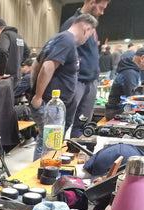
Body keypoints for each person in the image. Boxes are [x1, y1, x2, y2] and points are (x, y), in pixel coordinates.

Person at [31, 13, 98, 160]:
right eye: (89, 35)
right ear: (86, 28)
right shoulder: (66, 40)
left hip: (53, 103)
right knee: (49, 147)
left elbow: (36, 64)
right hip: (51, 104)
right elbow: (47, 67)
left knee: (47, 144)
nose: (86, 40)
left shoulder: (57, 38)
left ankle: (42, 174)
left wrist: (35, 92)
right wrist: (38, 95)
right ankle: (43, 176)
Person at [60, 0, 110, 138]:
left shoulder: (91, 27)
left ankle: (77, 154)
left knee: (82, 126)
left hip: (90, 82)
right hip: (76, 82)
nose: (102, 12)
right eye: (100, 7)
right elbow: (61, 54)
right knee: (60, 126)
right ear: (92, 2)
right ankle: (50, 158)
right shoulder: (72, 24)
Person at [105, 46, 144, 119]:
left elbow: (135, 88)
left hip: (119, 110)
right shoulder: (130, 73)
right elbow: (133, 97)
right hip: (117, 112)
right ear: (142, 58)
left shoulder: (132, 71)